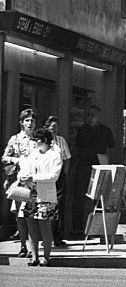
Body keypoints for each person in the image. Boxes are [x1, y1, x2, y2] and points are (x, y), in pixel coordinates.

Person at [17, 128, 62, 266]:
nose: (36, 142)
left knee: (44, 226)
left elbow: (54, 176)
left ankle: (46, 257)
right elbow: (24, 168)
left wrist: (34, 177)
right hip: (31, 194)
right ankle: (34, 256)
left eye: (38, 140)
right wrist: (22, 176)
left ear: (45, 141)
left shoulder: (55, 155)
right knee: (31, 224)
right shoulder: (33, 154)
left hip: (46, 195)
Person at [71, 105, 114, 234]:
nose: (90, 118)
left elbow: (111, 149)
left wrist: (109, 168)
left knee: (99, 198)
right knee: (79, 196)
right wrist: (73, 166)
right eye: (88, 115)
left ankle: (99, 228)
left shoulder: (105, 131)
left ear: (99, 116)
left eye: (93, 115)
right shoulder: (82, 130)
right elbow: (77, 149)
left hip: (100, 167)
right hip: (83, 166)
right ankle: (77, 228)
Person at [3, 109, 36, 257]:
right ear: (22, 123)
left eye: (32, 120)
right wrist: (15, 160)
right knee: (21, 215)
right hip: (20, 181)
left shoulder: (39, 140)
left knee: (33, 215)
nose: (30, 123)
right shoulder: (15, 139)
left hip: (35, 181)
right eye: (27, 120)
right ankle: (23, 245)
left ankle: (32, 247)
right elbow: (4, 157)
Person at [44, 116, 71, 247]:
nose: (54, 129)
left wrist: (64, 174)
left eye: (56, 127)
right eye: (52, 126)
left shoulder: (61, 141)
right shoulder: (42, 141)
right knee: (45, 206)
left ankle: (57, 236)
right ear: (47, 127)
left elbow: (67, 158)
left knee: (58, 206)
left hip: (58, 177)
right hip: (45, 177)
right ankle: (45, 236)